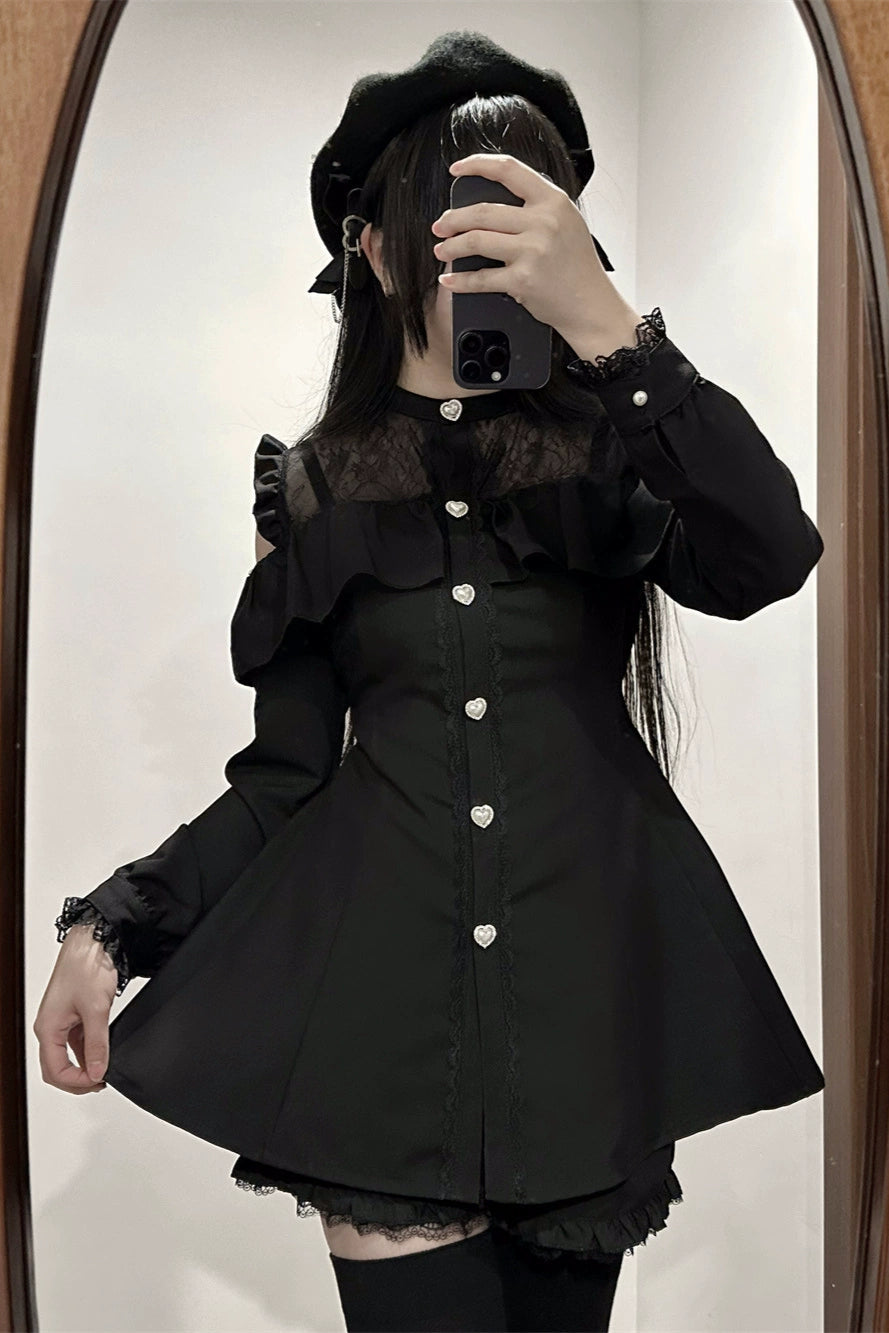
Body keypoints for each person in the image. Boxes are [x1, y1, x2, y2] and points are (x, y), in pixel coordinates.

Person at [34, 30, 826, 1333]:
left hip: (588, 1022)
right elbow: (286, 780)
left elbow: (772, 555)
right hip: (381, 1039)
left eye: (526, 212)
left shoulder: (611, 448)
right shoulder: (312, 489)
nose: (490, 246)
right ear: (374, 246)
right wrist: (109, 929)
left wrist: (612, 333)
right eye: (458, 211)